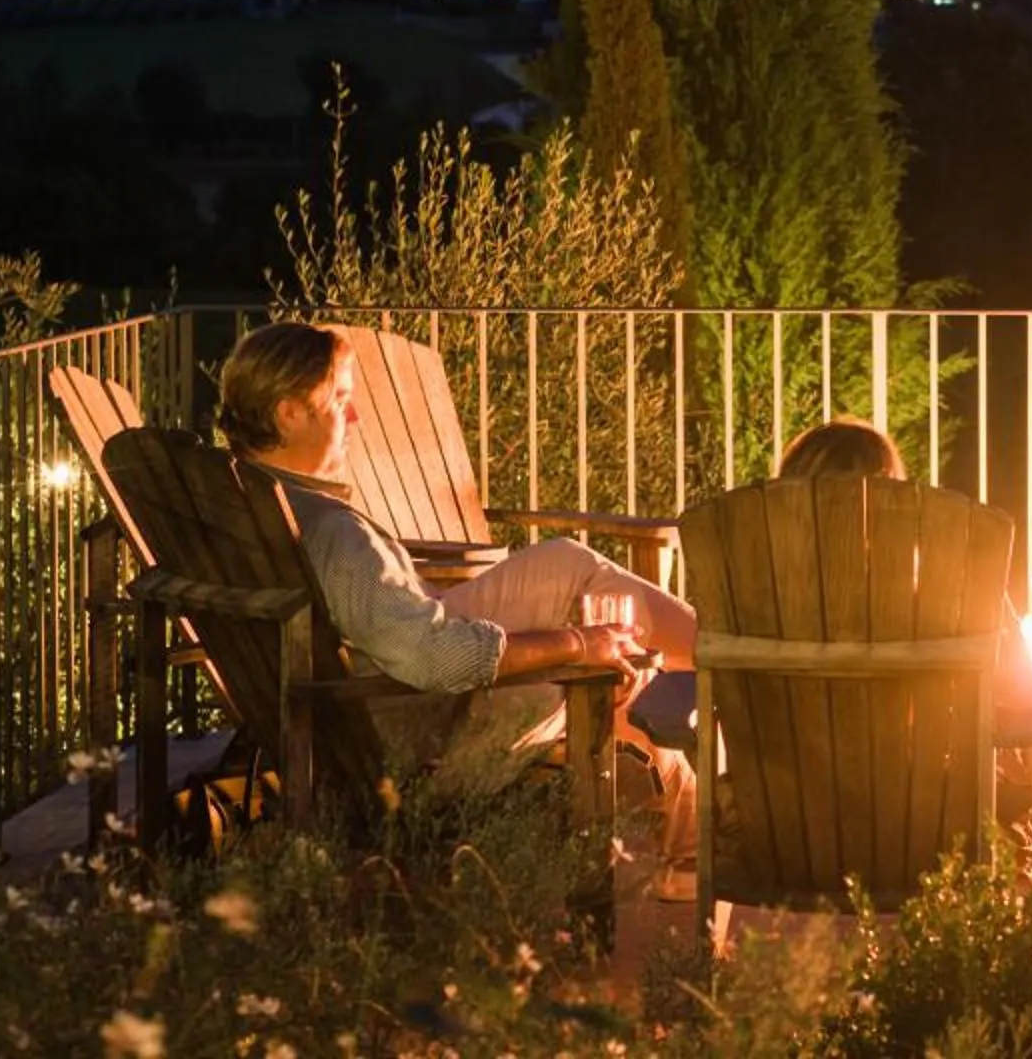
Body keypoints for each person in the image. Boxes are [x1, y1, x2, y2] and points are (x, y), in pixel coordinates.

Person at [216, 322, 701, 892]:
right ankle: (737, 672)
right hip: (410, 736)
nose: (355, 420)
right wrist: (576, 645)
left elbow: (390, 626)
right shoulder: (329, 530)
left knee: (572, 575)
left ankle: (694, 837)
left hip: (354, 705)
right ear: (288, 413)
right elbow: (432, 660)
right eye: (341, 401)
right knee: (583, 606)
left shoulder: (249, 501)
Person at [766, 417, 1032, 842]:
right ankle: (1019, 801)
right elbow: (1026, 695)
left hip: (783, 824)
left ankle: (1022, 798)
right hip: (918, 819)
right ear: (894, 493)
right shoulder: (951, 582)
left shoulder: (754, 587)